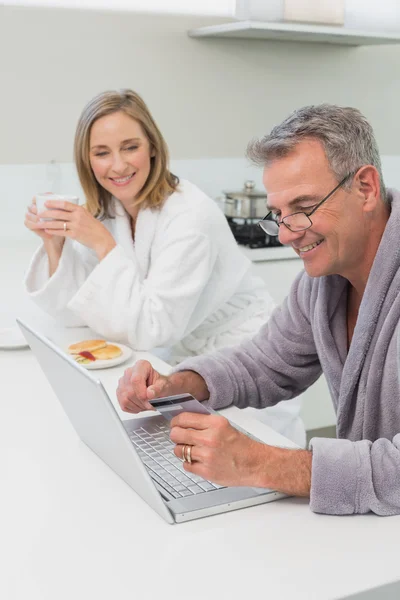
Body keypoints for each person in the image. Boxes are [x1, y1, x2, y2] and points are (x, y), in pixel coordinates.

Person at [117, 103, 400, 516]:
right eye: (278, 214)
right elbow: (265, 363)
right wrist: (176, 385)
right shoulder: (323, 284)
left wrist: (262, 463)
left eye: (303, 208)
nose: (286, 234)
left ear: (366, 188)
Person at [23, 88, 305, 446]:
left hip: (240, 364)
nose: (119, 165)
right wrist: (54, 241)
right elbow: (75, 310)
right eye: (102, 153)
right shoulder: (112, 211)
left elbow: (153, 327)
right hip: (179, 367)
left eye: (130, 147)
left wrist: (100, 242)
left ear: (153, 146)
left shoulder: (189, 216)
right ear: (86, 160)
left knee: (254, 480)